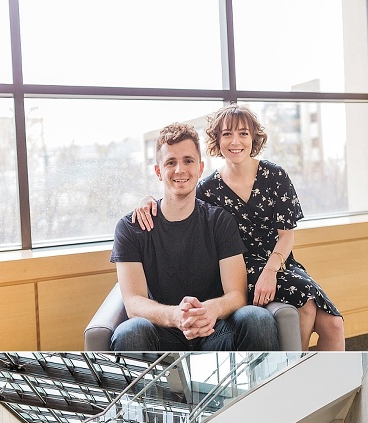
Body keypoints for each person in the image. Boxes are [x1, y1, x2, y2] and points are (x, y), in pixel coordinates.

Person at [133, 106, 344, 350]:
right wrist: (146, 200)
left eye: (243, 134)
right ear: (217, 140)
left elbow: (286, 236)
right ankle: (297, 369)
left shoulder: (275, 176)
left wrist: (271, 271)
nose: (236, 141)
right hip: (239, 268)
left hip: (279, 262)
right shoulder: (208, 188)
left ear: (253, 138)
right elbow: (178, 195)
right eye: (227, 134)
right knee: (306, 308)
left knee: (334, 325)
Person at [110, 122, 280, 352]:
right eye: (171, 162)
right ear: (158, 171)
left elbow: (237, 294)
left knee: (258, 319)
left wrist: (209, 311)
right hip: (162, 331)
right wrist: (175, 315)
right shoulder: (130, 228)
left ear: (200, 168)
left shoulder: (220, 221)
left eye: (188, 161)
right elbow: (133, 304)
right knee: (130, 332)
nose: (180, 170)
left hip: (215, 329)